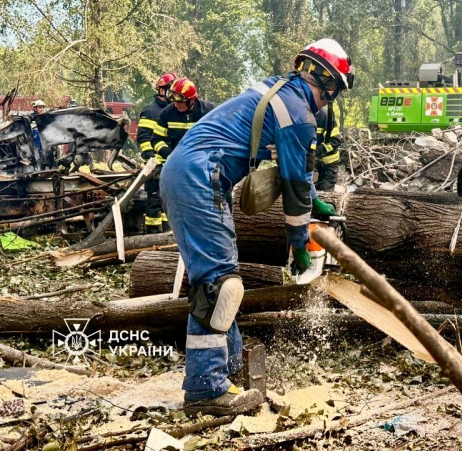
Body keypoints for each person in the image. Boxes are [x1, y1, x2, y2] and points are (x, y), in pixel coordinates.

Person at [159, 39, 354, 416]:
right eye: (334, 93)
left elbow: (293, 168)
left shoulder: (277, 90)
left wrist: (312, 196)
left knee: (216, 281)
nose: (330, 101)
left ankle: (228, 373)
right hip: (200, 176)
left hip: (184, 173)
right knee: (221, 286)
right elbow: (294, 183)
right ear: (330, 85)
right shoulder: (299, 113)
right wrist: (299, 245)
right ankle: (206, 391)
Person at [138, 73, 176, 233]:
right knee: (154, 198)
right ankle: (152, 234)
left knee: (169, 198)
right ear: (161, 90)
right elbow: (143, 136)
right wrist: (150, 157)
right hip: (156, 164)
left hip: (170, 163)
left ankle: (168, 232)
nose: (172, 95)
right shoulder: (150, 111)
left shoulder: (173, 110)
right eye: (169, 90)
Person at [151, 78, 215, 164]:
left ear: (191, 100)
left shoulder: (208, 112)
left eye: (180, 102)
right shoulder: (167, 113)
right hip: (174, 163)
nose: (176, 105)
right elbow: (156, 139)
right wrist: (169, 155)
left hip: (202, 162)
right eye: (174, 101)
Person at [314, 107, 343, 191]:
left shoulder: (325, 115)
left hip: (329, 164)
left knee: (325, 192)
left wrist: (316, 151)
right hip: (313, 163)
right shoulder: (301, 115)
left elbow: (335, 140)